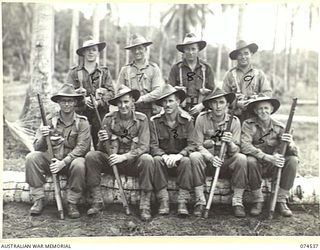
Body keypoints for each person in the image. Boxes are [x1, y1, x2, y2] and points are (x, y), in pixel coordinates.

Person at [85, 85, 155, 221]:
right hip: (112, 163)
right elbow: (101, 149)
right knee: (91, 156)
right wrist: (101, 140)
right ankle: (97, 201)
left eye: (126, 102)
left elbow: (144, 147)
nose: (123, 106)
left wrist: (123, 157)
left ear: (133, 101)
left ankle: (145, 205)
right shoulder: (108, 118)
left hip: (132, 162)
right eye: (119, 103)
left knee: (147, 159)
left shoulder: (142, 119)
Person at [25, 84, 91, 218]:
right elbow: (37, 147)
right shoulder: (48, 120)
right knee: (31, 158)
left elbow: (82, 148)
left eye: (70, 101)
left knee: (80, 164)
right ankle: (38, 199)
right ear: (58, 102)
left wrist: (63, 162)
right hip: (51, 160)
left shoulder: (82, 122)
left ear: (75, 103)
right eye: (63, 101)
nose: (67, 104)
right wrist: (44, 137)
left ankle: (72, 202)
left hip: (70, 162)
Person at [189, 88, 248, 218]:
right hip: (208, 162)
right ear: (209, 105)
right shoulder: (201, 118)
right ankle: (200, 201)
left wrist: (230, 142)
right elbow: (197, 145)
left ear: (227, 104)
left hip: (226, 162)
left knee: (242, 159)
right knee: (194, 157)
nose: (218, 106)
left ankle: (237, 201)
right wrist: (210, 158)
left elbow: (236, 150)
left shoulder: (235, 121)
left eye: (221, 102)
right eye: (214, 103)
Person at [241, 94, 298, 217]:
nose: (263, 111)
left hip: (274, 167)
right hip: (256, 166)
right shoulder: (248, 124)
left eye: (266, 108)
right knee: (250, 160)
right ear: (255, 111)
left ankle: (281, 200)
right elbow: (245, 146)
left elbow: (294, 152)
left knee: (292, 160)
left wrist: (290, 142)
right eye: (260, 108)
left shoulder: (280, 127)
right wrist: (267, 157)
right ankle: (258, 201)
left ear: (272, 110)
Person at [150, 84, 194, 216]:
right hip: (163, 161)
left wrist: (179, 155)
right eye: (164, 101)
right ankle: (163, 200)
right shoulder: (154, 121)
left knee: (186, 161)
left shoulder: (187, 121)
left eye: (170, 101)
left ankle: (182, 201)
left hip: (179, 161)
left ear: (178, 102)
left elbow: (192, 145)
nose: (167, 105)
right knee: (156, 160)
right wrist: (164, 156)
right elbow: (152, 145)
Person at [67, 38, 115, 148]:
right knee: (80, 146)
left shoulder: (104, 72)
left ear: (98, 52)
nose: (91, 52)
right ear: (83, 53)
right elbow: (67, 93)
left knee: (103, 146)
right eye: (87, 50)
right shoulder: (74, 72)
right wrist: (82, 99)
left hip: (101, 115)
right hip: (80, 114)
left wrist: (99, 102)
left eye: (94, 49)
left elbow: (112, 93)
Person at [222, 40, 272, 122]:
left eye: (246, 53)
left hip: (255, 117)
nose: (243, 57)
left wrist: (254, 99)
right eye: (240, 54)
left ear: (251, 54)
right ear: (236, 57)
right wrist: (237, 103)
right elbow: (224, 96)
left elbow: (267, 93)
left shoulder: (259, 74)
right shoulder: (229, 74)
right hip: (235, 117)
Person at [116, 34, 164, 118]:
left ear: (145, 49)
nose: (137, 51)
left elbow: (158, 91)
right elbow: (118, 92)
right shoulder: (125, 69)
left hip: (149, 109)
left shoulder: (153, 68)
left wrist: (141, 99)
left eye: (140, 48)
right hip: (130, 110)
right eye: (134, 49)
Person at [168, 33, 215, 116]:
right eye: (187, 49)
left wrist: (201, 105)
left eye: (193, 49)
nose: (190, 52)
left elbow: (213, 92)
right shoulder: (176, 68)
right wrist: (180, 110)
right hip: (180, 110)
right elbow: (169, 92)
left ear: (198, 50)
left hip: (202, 111)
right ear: (183, 51)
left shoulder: (206, 68)